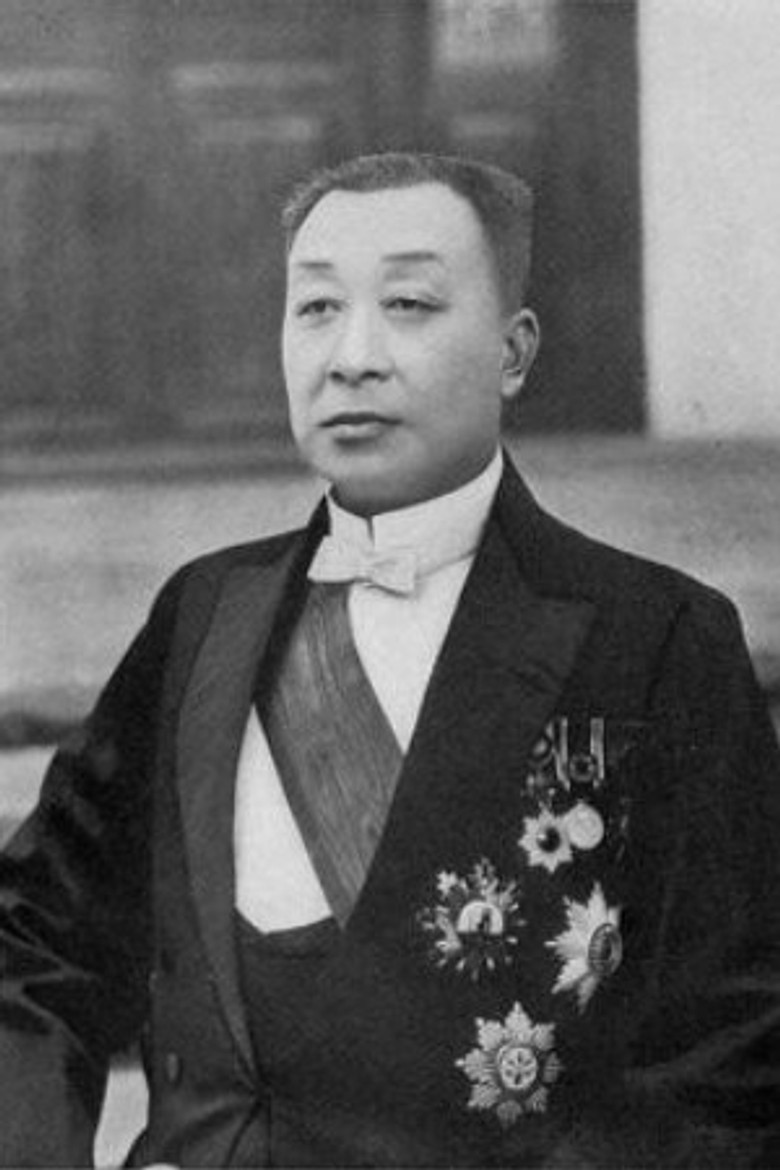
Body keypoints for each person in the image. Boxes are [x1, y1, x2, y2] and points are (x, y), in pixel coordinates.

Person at [0, 151, 779, 1169]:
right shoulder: (205, 613)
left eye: (408, 304)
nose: (351, 357)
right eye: (317, 308)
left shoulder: (655, 637)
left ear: (513, 352)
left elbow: (732, 1059)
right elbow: (34, 944)